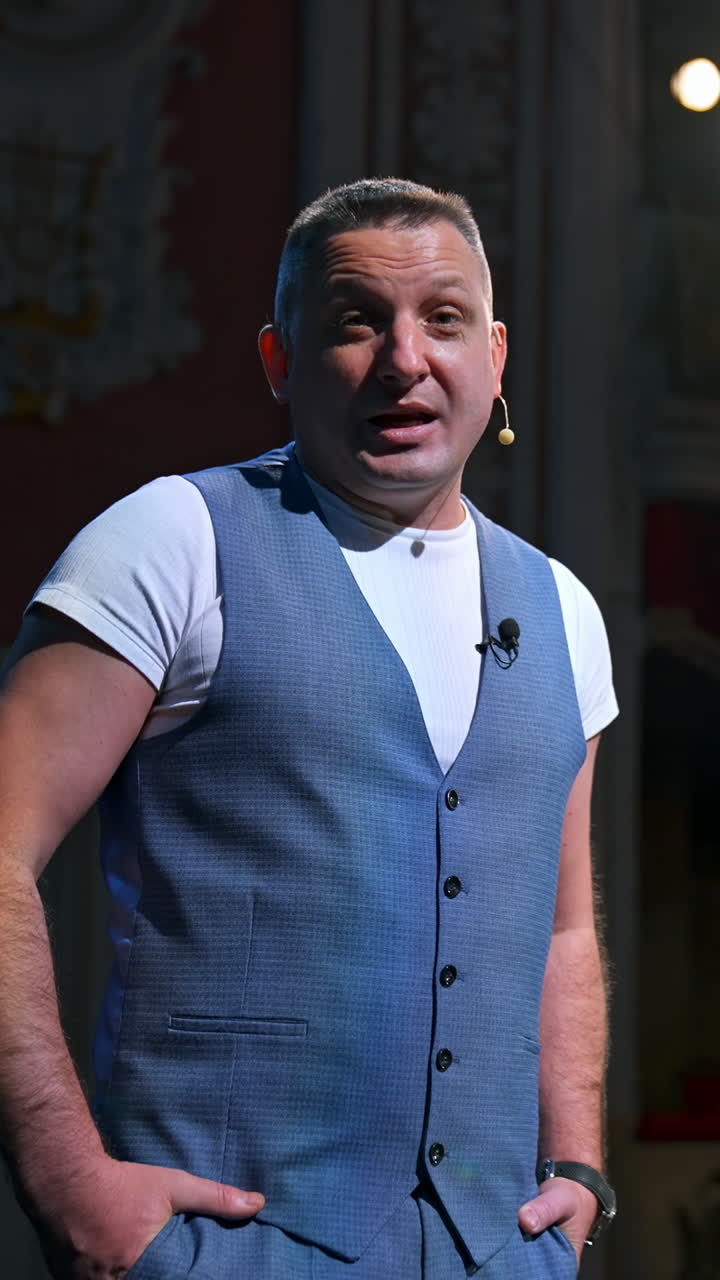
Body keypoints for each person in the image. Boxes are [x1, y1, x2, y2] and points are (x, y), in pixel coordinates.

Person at [0, 178, 617, 1279]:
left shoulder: (565, 608)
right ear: (281, 361)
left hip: (504, 1254)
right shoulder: (172, 539)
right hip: (220, 1249)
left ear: (497, 356)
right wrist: (68, 1180)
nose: (403, 358)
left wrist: (580, 1167)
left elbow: (564, 929)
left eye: (443, 319)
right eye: (353, 321)